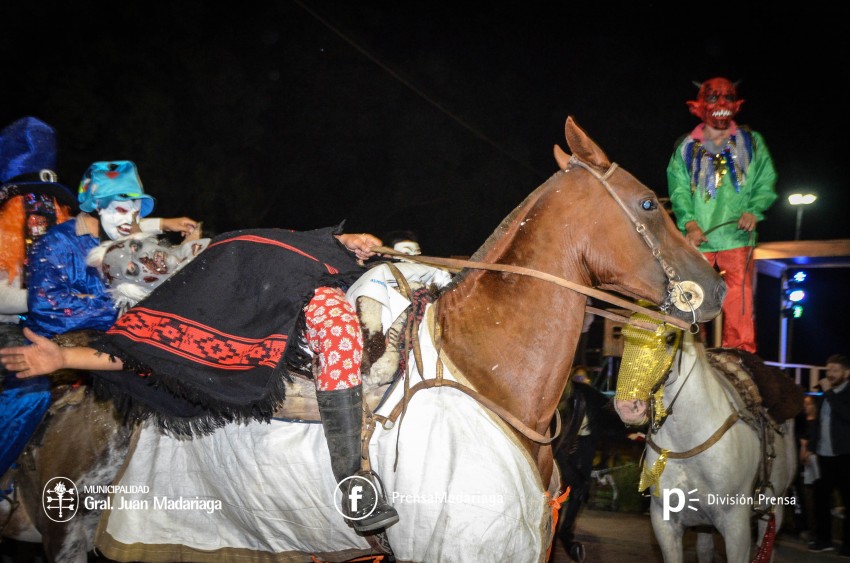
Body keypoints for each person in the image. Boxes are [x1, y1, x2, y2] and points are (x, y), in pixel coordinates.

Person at [0, 226, 400, 534]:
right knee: (337, 333)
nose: (156, 262)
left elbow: (294, 242)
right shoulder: (197, 293)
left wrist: (346, 241)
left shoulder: (227, 252)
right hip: (275, 297)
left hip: (316, 271)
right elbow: (142, 350)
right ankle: (353, 477)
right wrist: (64, 357)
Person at [24, 160, 198, 338]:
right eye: (122, 209)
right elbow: (46, 307)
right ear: (97, 205)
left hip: (116, 346)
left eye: (136, 212)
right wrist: (123, 308)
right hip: (56, 350)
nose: (131, 221)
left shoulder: (127, 238)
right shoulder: (57, 242)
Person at [667, 77, 778, 353]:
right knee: (690, 292)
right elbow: (678, 187)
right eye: (714, 97)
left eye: (728, 97)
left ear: (736, 104)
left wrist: (754, 210)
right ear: (700, 105)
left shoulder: (751, 141)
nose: (721, 104)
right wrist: (689, 223)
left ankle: (739, 352)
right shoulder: (686, 146)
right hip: (698, 237)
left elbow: (765, 180)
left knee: (738, 295)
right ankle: (689, 348)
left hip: (736, 235)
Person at [0, 116, 77, 478]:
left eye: (48, 198)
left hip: (61, 333)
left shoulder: (67, 236)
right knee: (30, 394)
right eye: (29, 197)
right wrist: (46, 299)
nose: (40, 207)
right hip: (8, 333)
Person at [803, 354, 850, 554]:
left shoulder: (841, 393)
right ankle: (824, 540)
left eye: (835, 370)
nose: (830, 374)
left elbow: (846, 415)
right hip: (824, 455)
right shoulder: (825, 394)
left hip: (845, 455)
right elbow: (818, 423)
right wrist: (810, 448)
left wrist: (829, 392)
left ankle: (848, 544)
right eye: (828, 370)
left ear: (846, 373)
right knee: (821, 499)